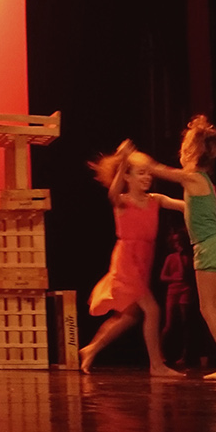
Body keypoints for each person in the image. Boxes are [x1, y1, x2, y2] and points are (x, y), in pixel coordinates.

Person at [145, 116, 216, 381]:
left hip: (209, 247)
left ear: (192, 152)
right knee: (215, 309)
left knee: (208, 310)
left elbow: (158, 169)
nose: (180, 151)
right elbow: (190, 209)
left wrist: (132, 156)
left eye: (184, 147)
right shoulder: (205, 182)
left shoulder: (193, 177)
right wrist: (163, 200)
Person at [80, 138, 184, 377]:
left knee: (129, 316)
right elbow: (113, 192)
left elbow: (183, 205)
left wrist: (202, 197)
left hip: (144, 260)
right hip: (127, 262)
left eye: (148, 173)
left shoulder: (155, 200)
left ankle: (92, 348)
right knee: (153, 310)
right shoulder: (122, 202)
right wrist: (125, 158)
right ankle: (157, 365)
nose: (147, 177)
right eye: (141, 173)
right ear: (127, 176)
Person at [159, 227, 199, 370]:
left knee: (185, 322)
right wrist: (174, 278)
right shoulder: (171, 258)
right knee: (169, 324)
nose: (178, 243)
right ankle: (159, 353)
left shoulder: (190, 257)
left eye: (180, 240)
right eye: (175, 241)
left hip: (186, 290)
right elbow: (162, 276)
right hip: (173, 291)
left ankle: (185, 355)